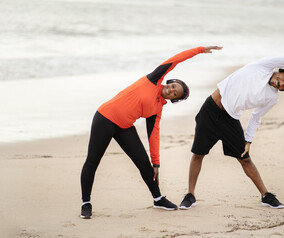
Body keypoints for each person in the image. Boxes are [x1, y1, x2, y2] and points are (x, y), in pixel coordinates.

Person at [80, 46, 222, 219]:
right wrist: (200, 50)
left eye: (174, 93)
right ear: (171, 81)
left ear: (173, 99)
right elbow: (175, 59)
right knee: (93, 161)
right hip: (105, 118)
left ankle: (158, 198)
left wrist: (156, 163)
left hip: (124, 126)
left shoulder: (157, 109)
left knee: (144, 164)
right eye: (173, 86)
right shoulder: (154, 79)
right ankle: (86, 203)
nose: (171, 90)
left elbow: (153, 135)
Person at [179, 55, 284, 210]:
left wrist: (248, 140)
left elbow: (256, 116)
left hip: (230, 119)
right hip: (209, 111)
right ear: (280, 71)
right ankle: (190, 195)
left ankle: (266, 195)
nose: (281, 84)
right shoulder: (263, 66)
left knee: (245, 159)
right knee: (198, 154)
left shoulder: (272, 97)